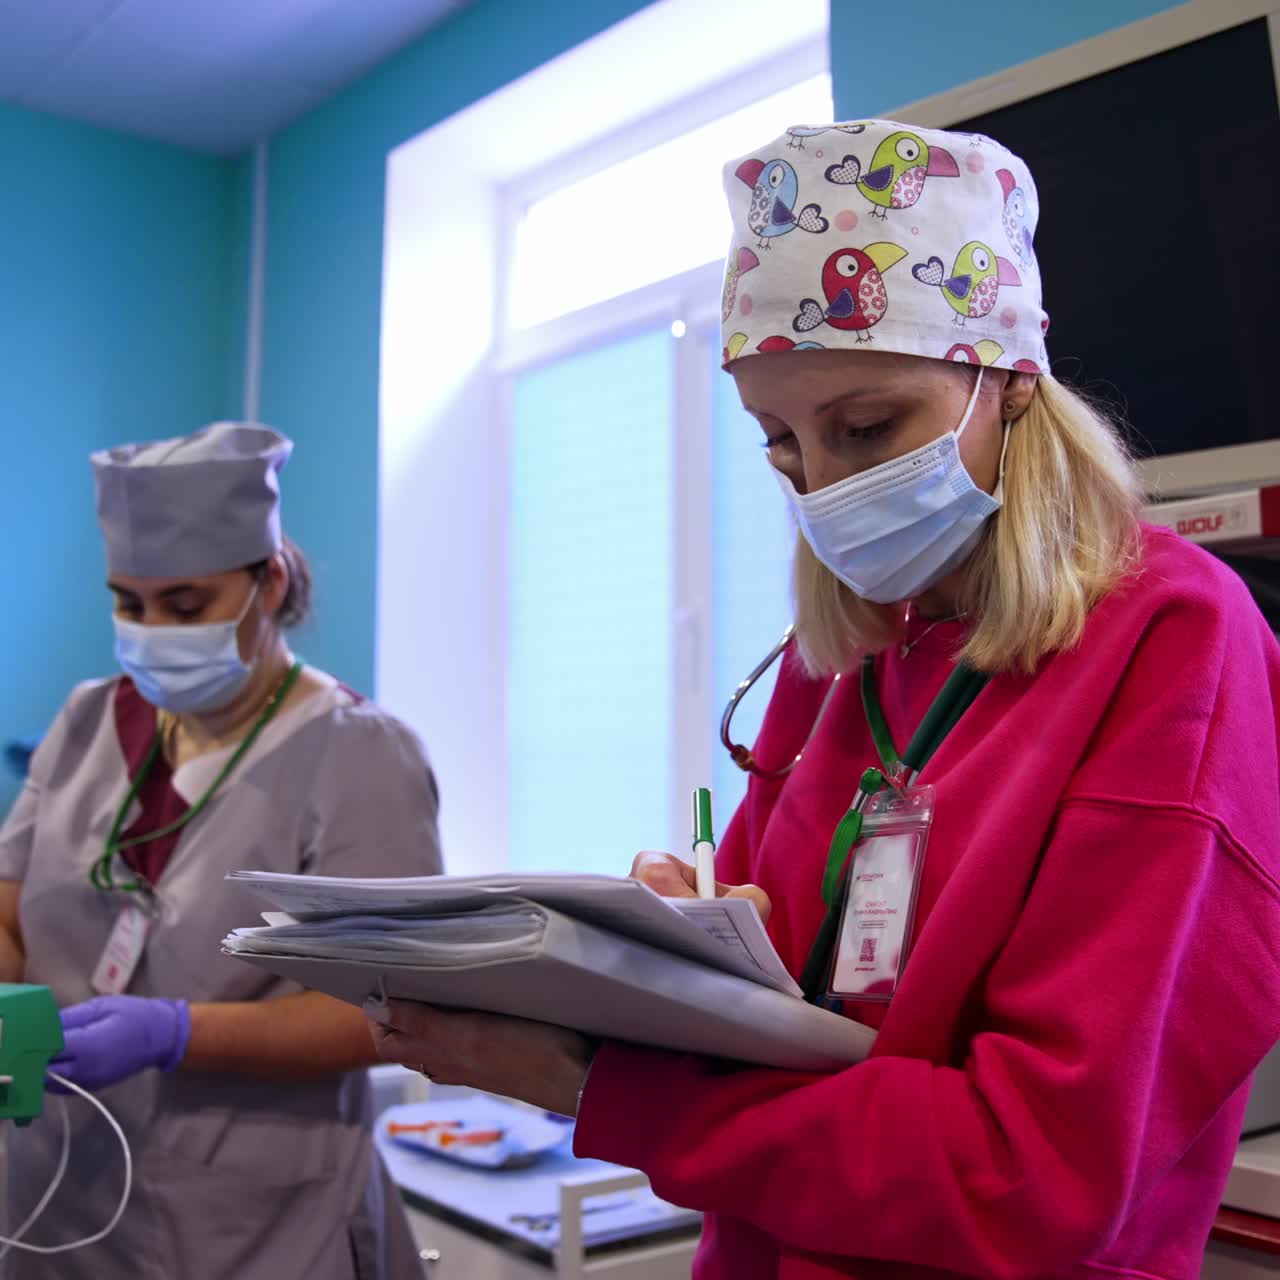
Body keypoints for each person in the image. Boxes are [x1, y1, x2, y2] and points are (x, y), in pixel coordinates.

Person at [365, 119, 1280, 1280]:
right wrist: (682, 956)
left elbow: (1031, 1174)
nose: (826, 487)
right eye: (781, 447)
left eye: (864, 426)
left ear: (1003, 378)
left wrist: (605, 1084)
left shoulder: (1168, 640)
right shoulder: (835, 661)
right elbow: (801, 1014)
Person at [0, 423, 442, 1279]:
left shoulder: (361, 756)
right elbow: (10, 905)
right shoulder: (90, 720)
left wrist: (174, 1032)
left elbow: (389, 1012)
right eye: (129, 603)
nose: (151, 630)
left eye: (185, 605)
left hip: (255, 1229)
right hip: (59, 1204)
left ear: (268, 581)